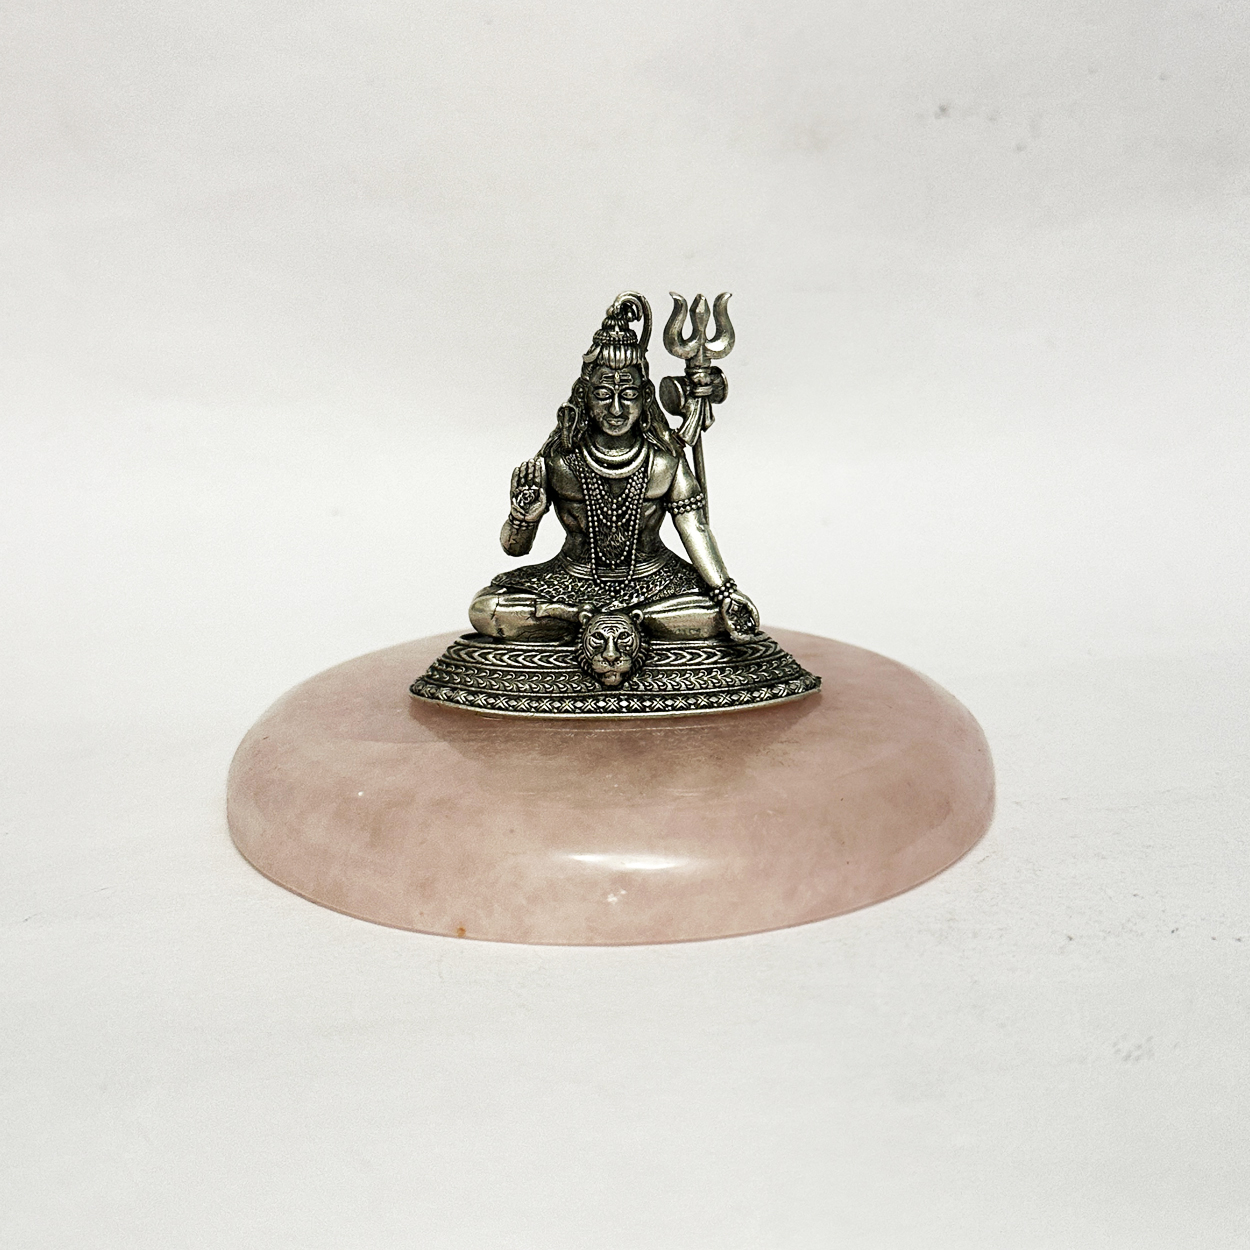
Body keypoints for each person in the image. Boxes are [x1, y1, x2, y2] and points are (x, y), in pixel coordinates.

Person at [468, 293, 760, 645]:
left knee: (714, 612)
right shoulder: (561, 459)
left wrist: (725, 591)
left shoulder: (664, 460)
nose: (617, 409)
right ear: (585, 397)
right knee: (486, 608)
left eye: (629, 395)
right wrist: (523, 518)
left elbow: (695, 528)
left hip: (655, 579)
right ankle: (621, 625)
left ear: (645, 396)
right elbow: (515, 548)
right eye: (604, 395)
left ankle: (596, 624)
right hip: (572, 579)